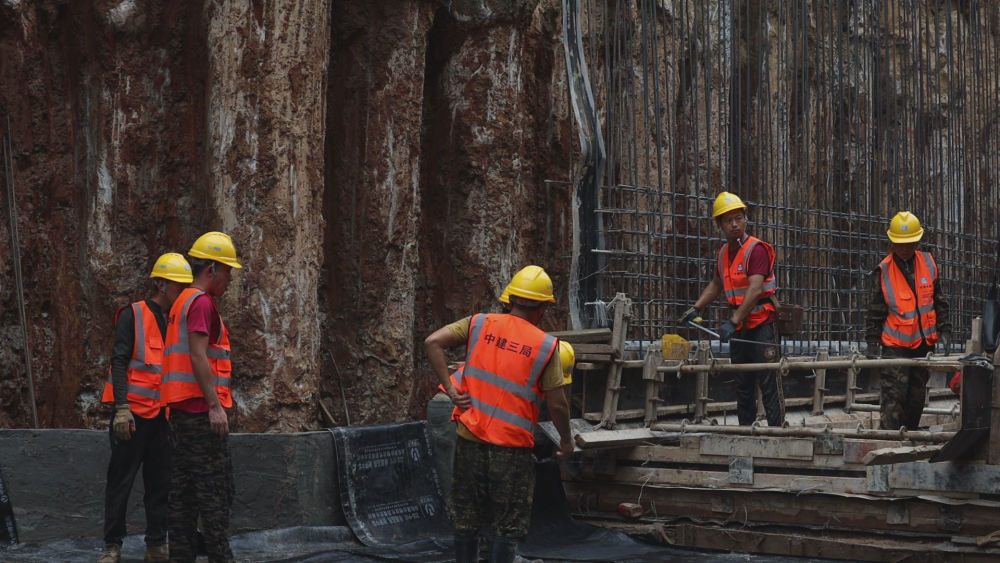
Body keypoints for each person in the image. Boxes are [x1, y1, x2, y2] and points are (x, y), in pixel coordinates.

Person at [424, 265, 574, 563]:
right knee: (508, 523)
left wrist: (452, 391)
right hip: (512, 449)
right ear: (543, 308)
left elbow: (432, 342)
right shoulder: (546, 346)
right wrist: (566, 442)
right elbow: (558, 406)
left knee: (466, 516)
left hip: (470, 439)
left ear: (509, 300)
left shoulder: (479, 324)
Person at [97, 253, 193, 563]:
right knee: (120, 482)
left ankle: (156, 547)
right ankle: (113, 546)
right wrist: (121, 407)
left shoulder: (178, 322)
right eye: (179, 286)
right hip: (132, 416)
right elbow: (120, 360)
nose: (183, 293)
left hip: (164, 418)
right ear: (161, 284)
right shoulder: (133, 315)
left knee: (161, 485)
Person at [161, 232, 242, 563]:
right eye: (226, 271)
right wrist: (214, 408)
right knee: (215, 493)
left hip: (181, 412)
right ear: (210, 268)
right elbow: (197, 355)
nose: (230, 278)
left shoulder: (181, 302)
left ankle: (181, 556)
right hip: (199, 413)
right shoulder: (202, 303)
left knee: (184, 495)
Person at [678, 192, 785, 427]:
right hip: (740, 326)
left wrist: (734, 321)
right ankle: (745, 432)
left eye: (739, 218)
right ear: (719, 224)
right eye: (728, 220)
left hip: (762, 323)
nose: (735, 224)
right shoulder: (724, 253)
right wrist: (696, 308)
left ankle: (779, 434)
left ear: (746, 218)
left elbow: (755, 289)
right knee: (743, 384)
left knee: (768, 383)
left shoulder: (756, 250)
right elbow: (717, 285)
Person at [865, 212, 951, 430]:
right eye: (900, 243)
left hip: (923, 345)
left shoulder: (928, 263)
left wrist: (945, 328)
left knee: (916, 397)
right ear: (892, 242)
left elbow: (939, 300)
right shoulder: (883, 271)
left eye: (910, 243)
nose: (905, 248)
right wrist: (872, 341)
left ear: (917, 241)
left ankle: (910, 437)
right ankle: (889, 441)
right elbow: (875, 309)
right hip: (896, 346)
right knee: (894, 397)